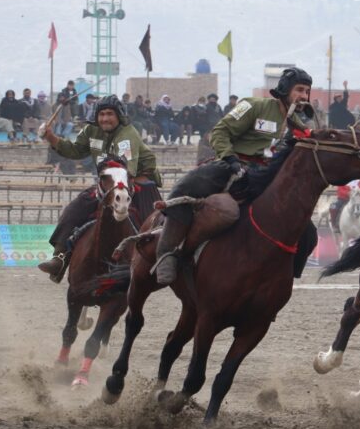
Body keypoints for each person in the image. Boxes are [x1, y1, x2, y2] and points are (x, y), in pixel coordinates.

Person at [154, 67, 317, 286]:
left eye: (307, 91)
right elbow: (220, 132)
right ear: (285, 89)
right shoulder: (253, 105)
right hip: (234, 166)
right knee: (187, 185)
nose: (304, 96)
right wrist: (230, 159)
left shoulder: (299, 126)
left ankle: (286, 273)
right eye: (299, 90)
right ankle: (166, 253)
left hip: (268, 178)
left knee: (308, 233)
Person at [36, 95, 162, 281]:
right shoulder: (91, 130)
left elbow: (127, 169)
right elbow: (75, 150)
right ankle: (59, 258)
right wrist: (50, 137)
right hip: (108, 184)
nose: (105, 118)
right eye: (101, 114)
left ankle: (164, 265)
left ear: (119, 116)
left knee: (154, 231)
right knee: (74, 210)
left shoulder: (127, 135)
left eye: (110, 114)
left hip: (137, 183)